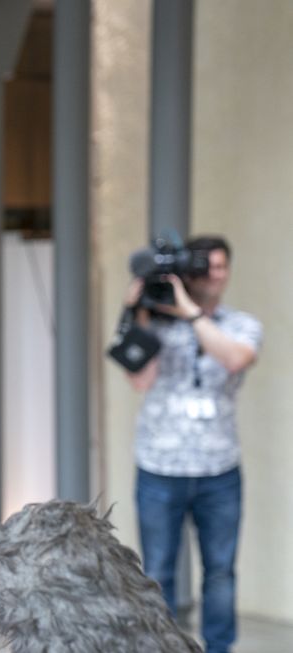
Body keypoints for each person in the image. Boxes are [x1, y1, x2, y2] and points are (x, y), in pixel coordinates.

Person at [123, 235, 261, 653]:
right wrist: (137, 311)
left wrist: (189, 312)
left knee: (220, 573)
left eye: (222, 267)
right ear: (190, 273)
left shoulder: (241, 324)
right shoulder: (155, 322)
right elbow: (139, 380)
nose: (215, 275)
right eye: (207, 267)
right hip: (159, 469)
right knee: (159, 572)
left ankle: (220, 648)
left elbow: (235, 358)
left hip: (219, 471)